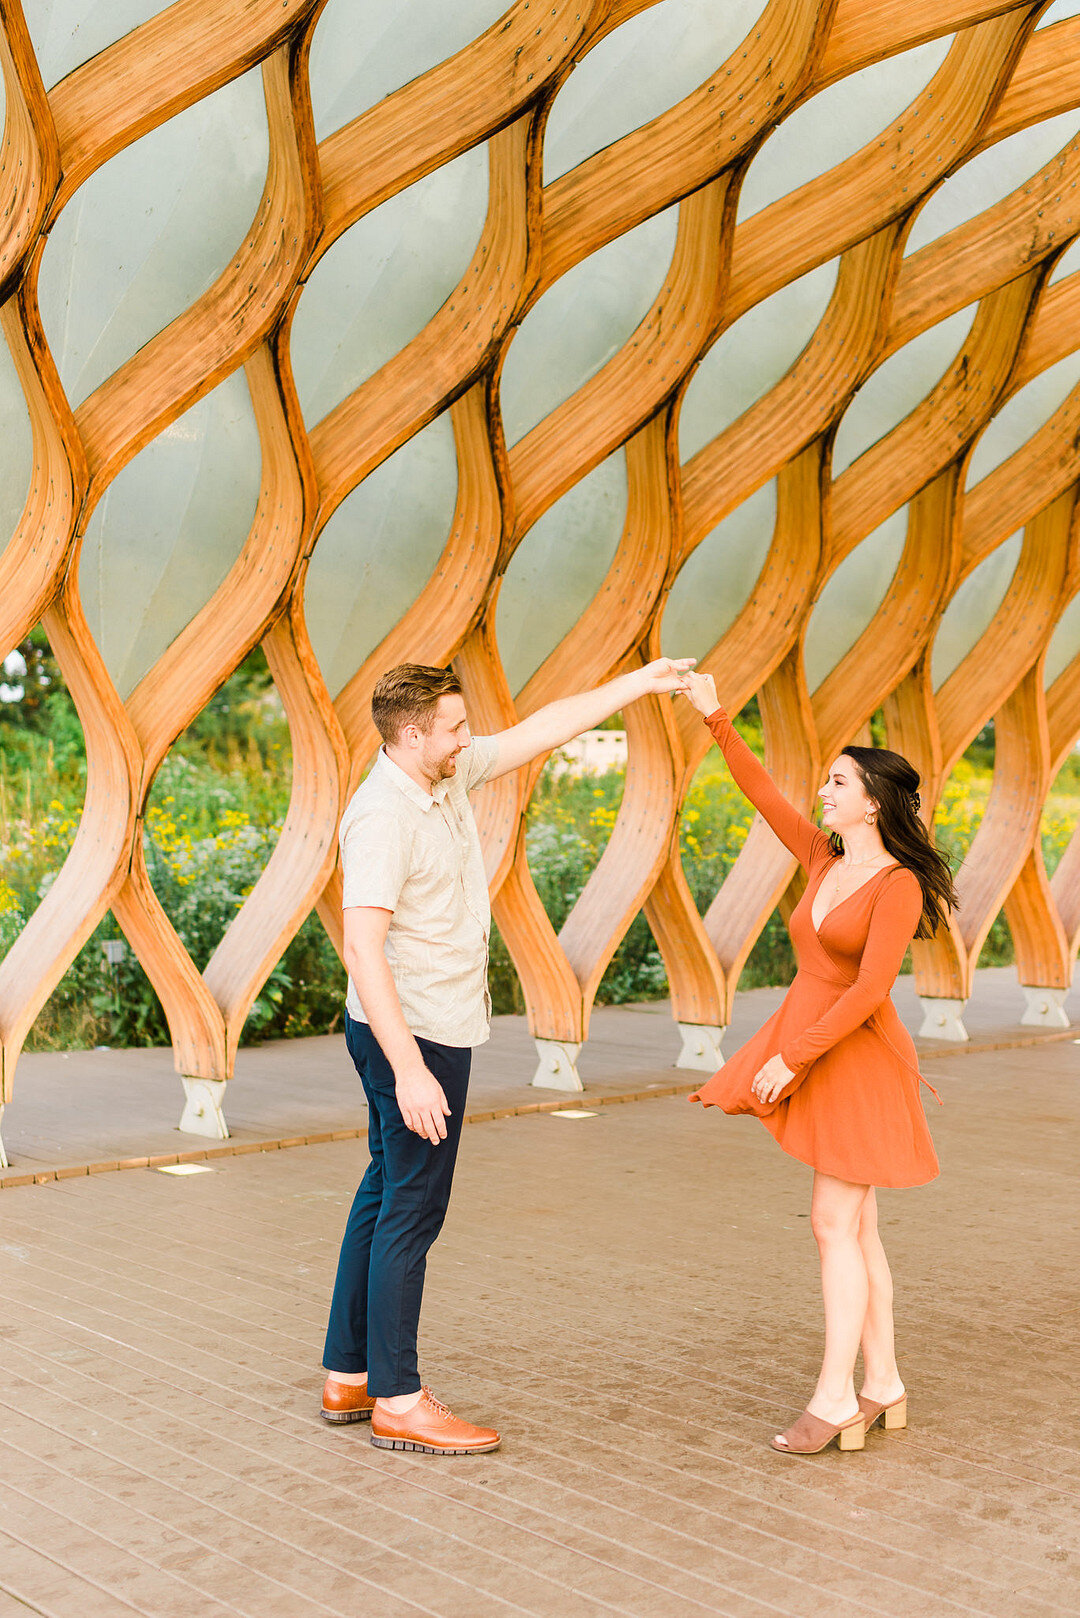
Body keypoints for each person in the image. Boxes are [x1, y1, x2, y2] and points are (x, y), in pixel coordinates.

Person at [321, 656, 693, 1454]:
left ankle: (349, 1373)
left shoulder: (441, 775)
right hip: (410, 1034)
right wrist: (412, 1069)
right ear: (411, 733)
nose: (468, 738)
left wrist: (637, 683)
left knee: (385, 1188)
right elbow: (361, 947)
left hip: (425, 1026)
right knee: (412, 1210)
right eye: (454, 728)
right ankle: (397, 1397)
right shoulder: (383, 815)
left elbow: (540, 730)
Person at [680, 669, 957, 1457]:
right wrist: (714, 714)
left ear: (873, 800)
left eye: (837, 781)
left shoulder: (896, 884)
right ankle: (885, 1383)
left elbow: (871, 988)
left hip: (854, 1056)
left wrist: (790, 1058)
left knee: (833, 1222)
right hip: (812, 1044)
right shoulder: (821, 857)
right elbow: (760, 790)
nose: (823, 792)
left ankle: (838, 1396)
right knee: (857, 1228)